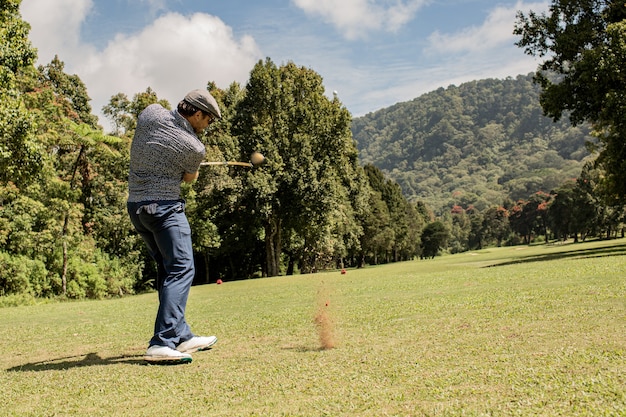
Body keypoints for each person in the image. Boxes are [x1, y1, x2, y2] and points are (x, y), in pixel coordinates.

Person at [127, 89, 220, 363]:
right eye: (209, 120)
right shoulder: (194, 147)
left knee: (168, 270)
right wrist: (195, 164)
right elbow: (189, 178)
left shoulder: (151, 112)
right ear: (198, 113)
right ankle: (162, 341)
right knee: (181, 269)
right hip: (165, 210)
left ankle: (181, 336)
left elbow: (152, 143)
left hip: (137, 208)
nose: (208, 126)